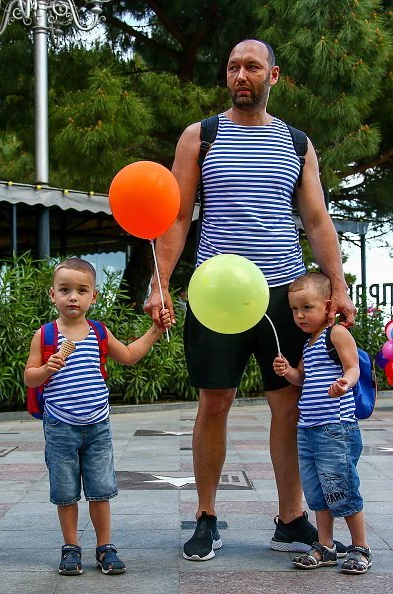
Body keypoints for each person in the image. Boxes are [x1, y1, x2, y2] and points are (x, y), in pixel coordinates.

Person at [144, 38, 356, 561]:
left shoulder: (298, 142)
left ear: (273, 75)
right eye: (234, 66)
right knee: (213, 403)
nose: (242, 74)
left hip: (282, 295)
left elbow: (316, 220)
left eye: (252, 67)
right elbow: (175, 214)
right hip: (215, 294)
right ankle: (207, 517)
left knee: (288, 407)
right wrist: (160, 281)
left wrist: (338, 284)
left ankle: (291, 519)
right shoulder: (200, 135)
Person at [25, 257, 171, 576]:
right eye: (65, 290)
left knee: (100, 490)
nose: (72, 297)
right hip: (60, 427)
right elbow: (29, 378)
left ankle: (105, 546)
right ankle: (70, 547)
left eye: (81, 290)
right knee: (65, 493)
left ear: (95, 296)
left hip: (97, 426)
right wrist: (44, 369)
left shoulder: (98, 332)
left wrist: (156, 331)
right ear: (53, 295)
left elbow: (129, 356)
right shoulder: (45, 335)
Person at [273, 272, 371, 573]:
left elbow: (352, 367)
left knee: (342, 488)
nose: (300, 315)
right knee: (317, 492)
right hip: (308, 429)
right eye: (294, 309)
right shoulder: (309, 343)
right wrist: (288, 371)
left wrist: (345, 382)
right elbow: (303, 379)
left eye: (307, 307)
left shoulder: (336, 334)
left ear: (328, 306)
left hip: (336, 428)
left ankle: (360, 547)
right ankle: (325, 546)